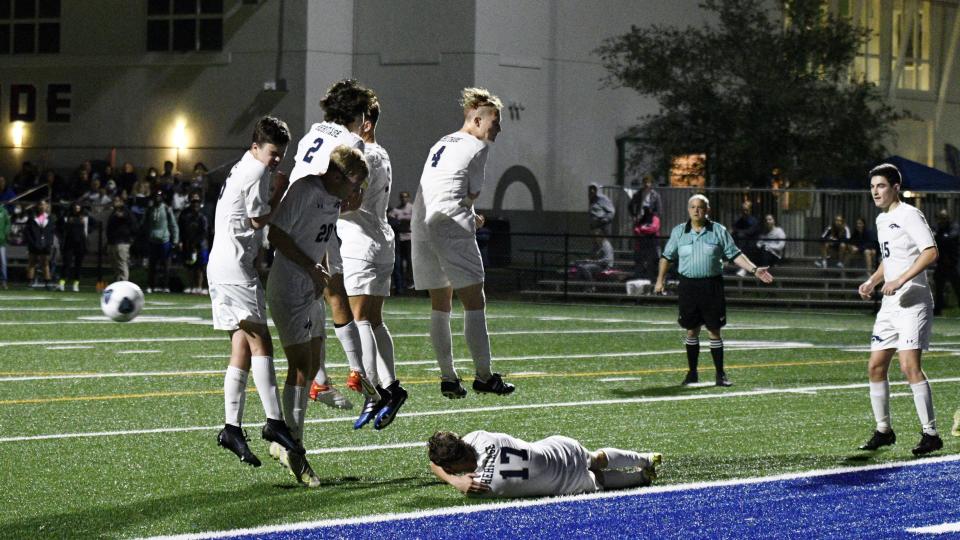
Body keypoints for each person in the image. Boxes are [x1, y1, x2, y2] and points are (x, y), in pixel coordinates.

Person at [266, 144, 369, 487]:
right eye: (353, 183)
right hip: (290, 283)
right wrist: (311, 268)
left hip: (310, 284)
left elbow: (320, 239)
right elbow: (276, 233)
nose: (355, 192)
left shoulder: (333, 197)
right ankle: (294, 449)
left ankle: (285, 441)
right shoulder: (307, 189)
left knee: (309, 366)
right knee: (300, 366)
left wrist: (322, 271)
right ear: (337, 175)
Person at [207, 115, 302, 468]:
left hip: (226, 263)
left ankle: (231, 428)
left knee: (241, 347)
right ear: (255, 146)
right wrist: (282, 191)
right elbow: (258, 220)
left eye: (281, 154)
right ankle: (274, 421)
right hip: (233, 267)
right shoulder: (256, 172)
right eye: (273, 153)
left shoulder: (246, 166)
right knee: (262, 340)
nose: (276, 159)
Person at [411, 87, 515, 399]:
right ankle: (484, 376)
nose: (498, 129)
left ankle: (448, 377)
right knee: (474, 300)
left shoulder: (442, 142)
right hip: (450, 224)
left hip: (422, 220)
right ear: (479, 120)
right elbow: (470, 195)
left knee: (440, 303)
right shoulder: (478, 147)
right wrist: (474, 219)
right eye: (495, 122)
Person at [288, 79, 374, 413]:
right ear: (357, 113)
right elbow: (349, 194)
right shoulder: (352, 141)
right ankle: (358, 374)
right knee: (333, 292)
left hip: (293, 214)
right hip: (314, 217)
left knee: (319, 297)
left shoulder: (313, 132)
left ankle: (323, 380)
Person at [331, 97, 410, 430]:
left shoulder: (365, 155)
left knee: (361, 319)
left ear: (365, 122)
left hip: (361, 243)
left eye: (352, 122)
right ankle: (392, 387)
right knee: (374, 320)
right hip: (379, 240)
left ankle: (376, 391)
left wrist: (320, 206)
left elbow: (352, 200)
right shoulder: (382, 153)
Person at [856, 163, 943, 456]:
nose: (875, 192)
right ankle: (884, 430)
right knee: (875, 366)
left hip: (914, 300)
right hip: (891, 303)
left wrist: (901, 279)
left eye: (881, 186)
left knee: (909, 366)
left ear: (895, 187)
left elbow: (930, 252)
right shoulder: (883, 220)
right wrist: (872, 280)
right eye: (872, 187)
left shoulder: (910, 214)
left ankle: (930, 434)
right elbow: (889, 259)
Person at [655, 194, 774, 387]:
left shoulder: (718, 230)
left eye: (700, 207)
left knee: (714, 330)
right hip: (688, 286)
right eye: (692, 207)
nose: (696, 210)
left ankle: (720, 375)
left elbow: (735, 254)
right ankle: (692, 373)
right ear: (688, 209)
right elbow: (666, 257)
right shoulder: (679, 232)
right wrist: (659, 280)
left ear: (707, 210)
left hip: (711, 286)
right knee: (691, 331)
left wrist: (754, 269)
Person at [427, 430, 662, 498]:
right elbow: (438, 462)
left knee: (598, 479)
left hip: (563, 482)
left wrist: (455, 481)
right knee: (597, 459)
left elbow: (435, 465)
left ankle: (642, 477)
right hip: (558, 448)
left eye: (450, 468)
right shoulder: (478, 437)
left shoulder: (482, 487)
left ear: (456, 464)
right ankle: (646, 458)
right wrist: (454, 475)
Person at [142, 189, 179, 293]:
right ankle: (150, 285)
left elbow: (173, 225)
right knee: (152, 265)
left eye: (159, 196)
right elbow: (144, 224)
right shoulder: (150, 209)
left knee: (166, 265)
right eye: (156, 196)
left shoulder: (167, 209)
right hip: (152, 240)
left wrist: (175, 240)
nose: (157, 198)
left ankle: (165, 286)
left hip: (164, 240)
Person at [177, 193, 210, 294]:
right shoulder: (184, 214)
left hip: (201, 244)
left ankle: (200, 286)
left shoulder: (203, 215)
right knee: (189, 266)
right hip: (188, 243)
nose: (195, 204)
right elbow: (181, 229)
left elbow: (205, 231)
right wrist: (181, 241)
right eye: (193, 202)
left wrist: (196, 243)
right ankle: (191, 286)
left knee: (201, 267)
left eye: (197, 202)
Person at [932, 209, 960, 316]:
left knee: (958, 288)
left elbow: (951, 237)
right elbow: (930, 236)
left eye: (944, 218)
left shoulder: (954, 227)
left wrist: (938, 237)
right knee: (939, 289)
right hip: (941, 264)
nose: (941, 221)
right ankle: (937, 311)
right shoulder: (937, 228)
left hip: (954, 263)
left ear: (948, 218)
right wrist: (939, 236)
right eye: (940, 218)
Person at [58, 202, 89, 292]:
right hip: (69, 243)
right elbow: (59, 226)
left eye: (78, 206)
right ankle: (62, 282)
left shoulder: (84, 217)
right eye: (75, 206)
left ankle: (76, 284)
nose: (77, 207)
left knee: (78, 264)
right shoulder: (67, 217)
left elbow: (92, 225)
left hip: (80, 243)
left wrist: (86, 233)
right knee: (66, 263)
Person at [24, 200, 55, 288]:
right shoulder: (32, 217)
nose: (42, 207)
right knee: (32, 263)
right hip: (34, 244)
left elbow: (51, 232)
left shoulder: (50, 218)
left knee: (45, 263)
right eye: (40, 205)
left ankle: (47, 282)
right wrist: (32, 242)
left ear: (46, 207)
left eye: (44, 205)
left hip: (45, 244)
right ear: (37, 206)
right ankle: (30, 282)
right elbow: (27, 232)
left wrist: (49, 243)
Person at [106, 196, 137, 282]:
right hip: (112, 242)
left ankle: (123, 284)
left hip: (122, 242)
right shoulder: (114, 212)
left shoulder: (126, 211)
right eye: (114, 200)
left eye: (117, 200)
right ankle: (117, 283)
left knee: (121, 264)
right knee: (115, 265)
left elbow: (133, 225)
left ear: (122, 202)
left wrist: (130, 238)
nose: (114, 202)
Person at [388, 190, 414, 293]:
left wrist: (401, 217)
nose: (404, 199)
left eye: (406, 197)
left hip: (409, 237)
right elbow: (390, 217)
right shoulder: (396, 209)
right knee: (399, 262)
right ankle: (401, 283)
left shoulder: (411, 208)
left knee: (409, 261)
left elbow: (414, 217)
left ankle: (410, 281)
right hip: (399, 238)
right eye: (402, 197)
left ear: (408, 198)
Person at [632, 204, 660, 281]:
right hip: (641, 246)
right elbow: (636, 230)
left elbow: (653, 229)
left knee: (652, 267)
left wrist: (642, 229)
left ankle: (652, 282)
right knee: (639, 267)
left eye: (648, 209)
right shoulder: (642, 219)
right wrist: (643, 229)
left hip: (652, 247)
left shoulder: (655, 219)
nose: (646, 211)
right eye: (645, 209)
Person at [0, 202, 9, 289]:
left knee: (3, 262)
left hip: (1, 242)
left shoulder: (4, 211)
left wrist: (5, 233)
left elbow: (8, 224)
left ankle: (4, 281)